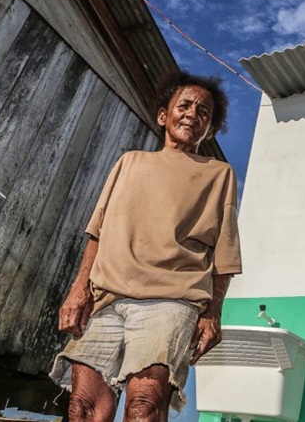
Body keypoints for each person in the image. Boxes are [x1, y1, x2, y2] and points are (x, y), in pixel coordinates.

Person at [49, 70, 241, 422]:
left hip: (172, 300)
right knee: (81, 408)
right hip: (106, 298)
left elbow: (224, 251)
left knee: (144, 406)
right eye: (185, 105)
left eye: (203, 112)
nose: (193, 114)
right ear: (163, 116)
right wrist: (79, 289)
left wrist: (212, 313)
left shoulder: (219, 174)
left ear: (209, 129)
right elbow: (98, 232)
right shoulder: (130, 162)